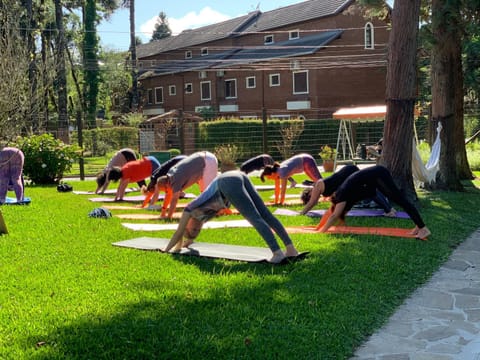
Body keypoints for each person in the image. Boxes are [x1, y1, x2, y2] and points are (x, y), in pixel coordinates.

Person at [162, 171, 299, 263]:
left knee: (255, 217)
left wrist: (166, 251)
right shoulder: (202, 217)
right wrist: (187, 242)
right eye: (196, 232)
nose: (196, 229)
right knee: (264, 214)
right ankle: (291, 249)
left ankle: (277, 253)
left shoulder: (189, 210)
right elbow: (185, 236)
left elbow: (178, 233)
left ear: (187, 224)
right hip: (237, 175)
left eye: (193, 229)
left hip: (227, 182)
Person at [317, 165, 431, 239]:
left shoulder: (341, 195)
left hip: (378, 174)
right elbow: (340, 214)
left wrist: (322, 231)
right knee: (397, 199)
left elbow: (334, 216)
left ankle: (423, 228)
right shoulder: (347, 196)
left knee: (400, 199)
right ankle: (418, 225)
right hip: (374, 178)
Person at [300, 164, 396, 216]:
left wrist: (301, 213)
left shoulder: (318, 185)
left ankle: (389, 210)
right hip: (348, 174)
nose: (313, 199)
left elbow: (312, 203)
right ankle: (389, 209)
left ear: (309, 193)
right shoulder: (319, 187)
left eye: (309, 197)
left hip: (348, 172)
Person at [155, 151, 218, 219]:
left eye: (165, 190)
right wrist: (163, 212)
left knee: (209, 193)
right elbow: (169, 194)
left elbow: (174, 199)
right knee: (204, 193)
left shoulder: (176, 180)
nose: (166, 192)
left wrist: (169, 217)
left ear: (166, 185)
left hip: (208, 161)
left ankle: (221, 210)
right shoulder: (171, 175)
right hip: (203, 159)